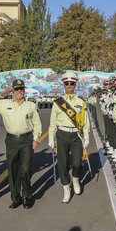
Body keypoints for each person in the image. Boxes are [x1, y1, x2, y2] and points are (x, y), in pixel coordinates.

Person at [0, 79, 42, 209]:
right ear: (12, 90)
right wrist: (1, 94)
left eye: (21, 88)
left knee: (25, 169)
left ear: (24, 89)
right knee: (12, 170)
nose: (19, 91)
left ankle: (27, 196)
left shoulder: (31, 105)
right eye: (16, 89)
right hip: (11, 140)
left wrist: (36, 138)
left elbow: (37, 123)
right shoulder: (4, 104)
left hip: (27, 139)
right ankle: (15, 198)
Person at [48, 72, 90, 204]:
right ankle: (66, 188)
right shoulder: (58, 103)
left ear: (75, 85)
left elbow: (85, 122)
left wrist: (86, 137)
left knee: (77, 162)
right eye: (67, 83)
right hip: (62, 135)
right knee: (63, 163)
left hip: (76, 135)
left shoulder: (81, 102)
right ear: (64, 85)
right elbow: (53, 122)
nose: (69, 86)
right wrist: (50, 138)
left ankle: (76, 179)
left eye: (72, 83)